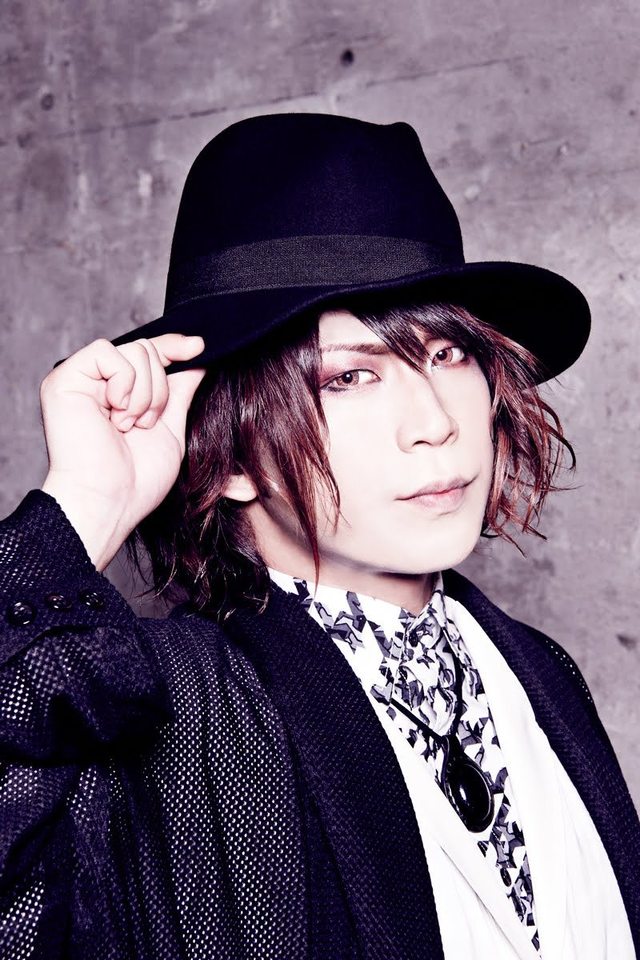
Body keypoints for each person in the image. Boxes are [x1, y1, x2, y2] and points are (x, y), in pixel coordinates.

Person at [0, 113, 638, 960]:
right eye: (351, 376)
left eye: (448, 355)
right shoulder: (170, 710)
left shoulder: (537, 672)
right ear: (230, 454)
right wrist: (84, 508)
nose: (434, 422)